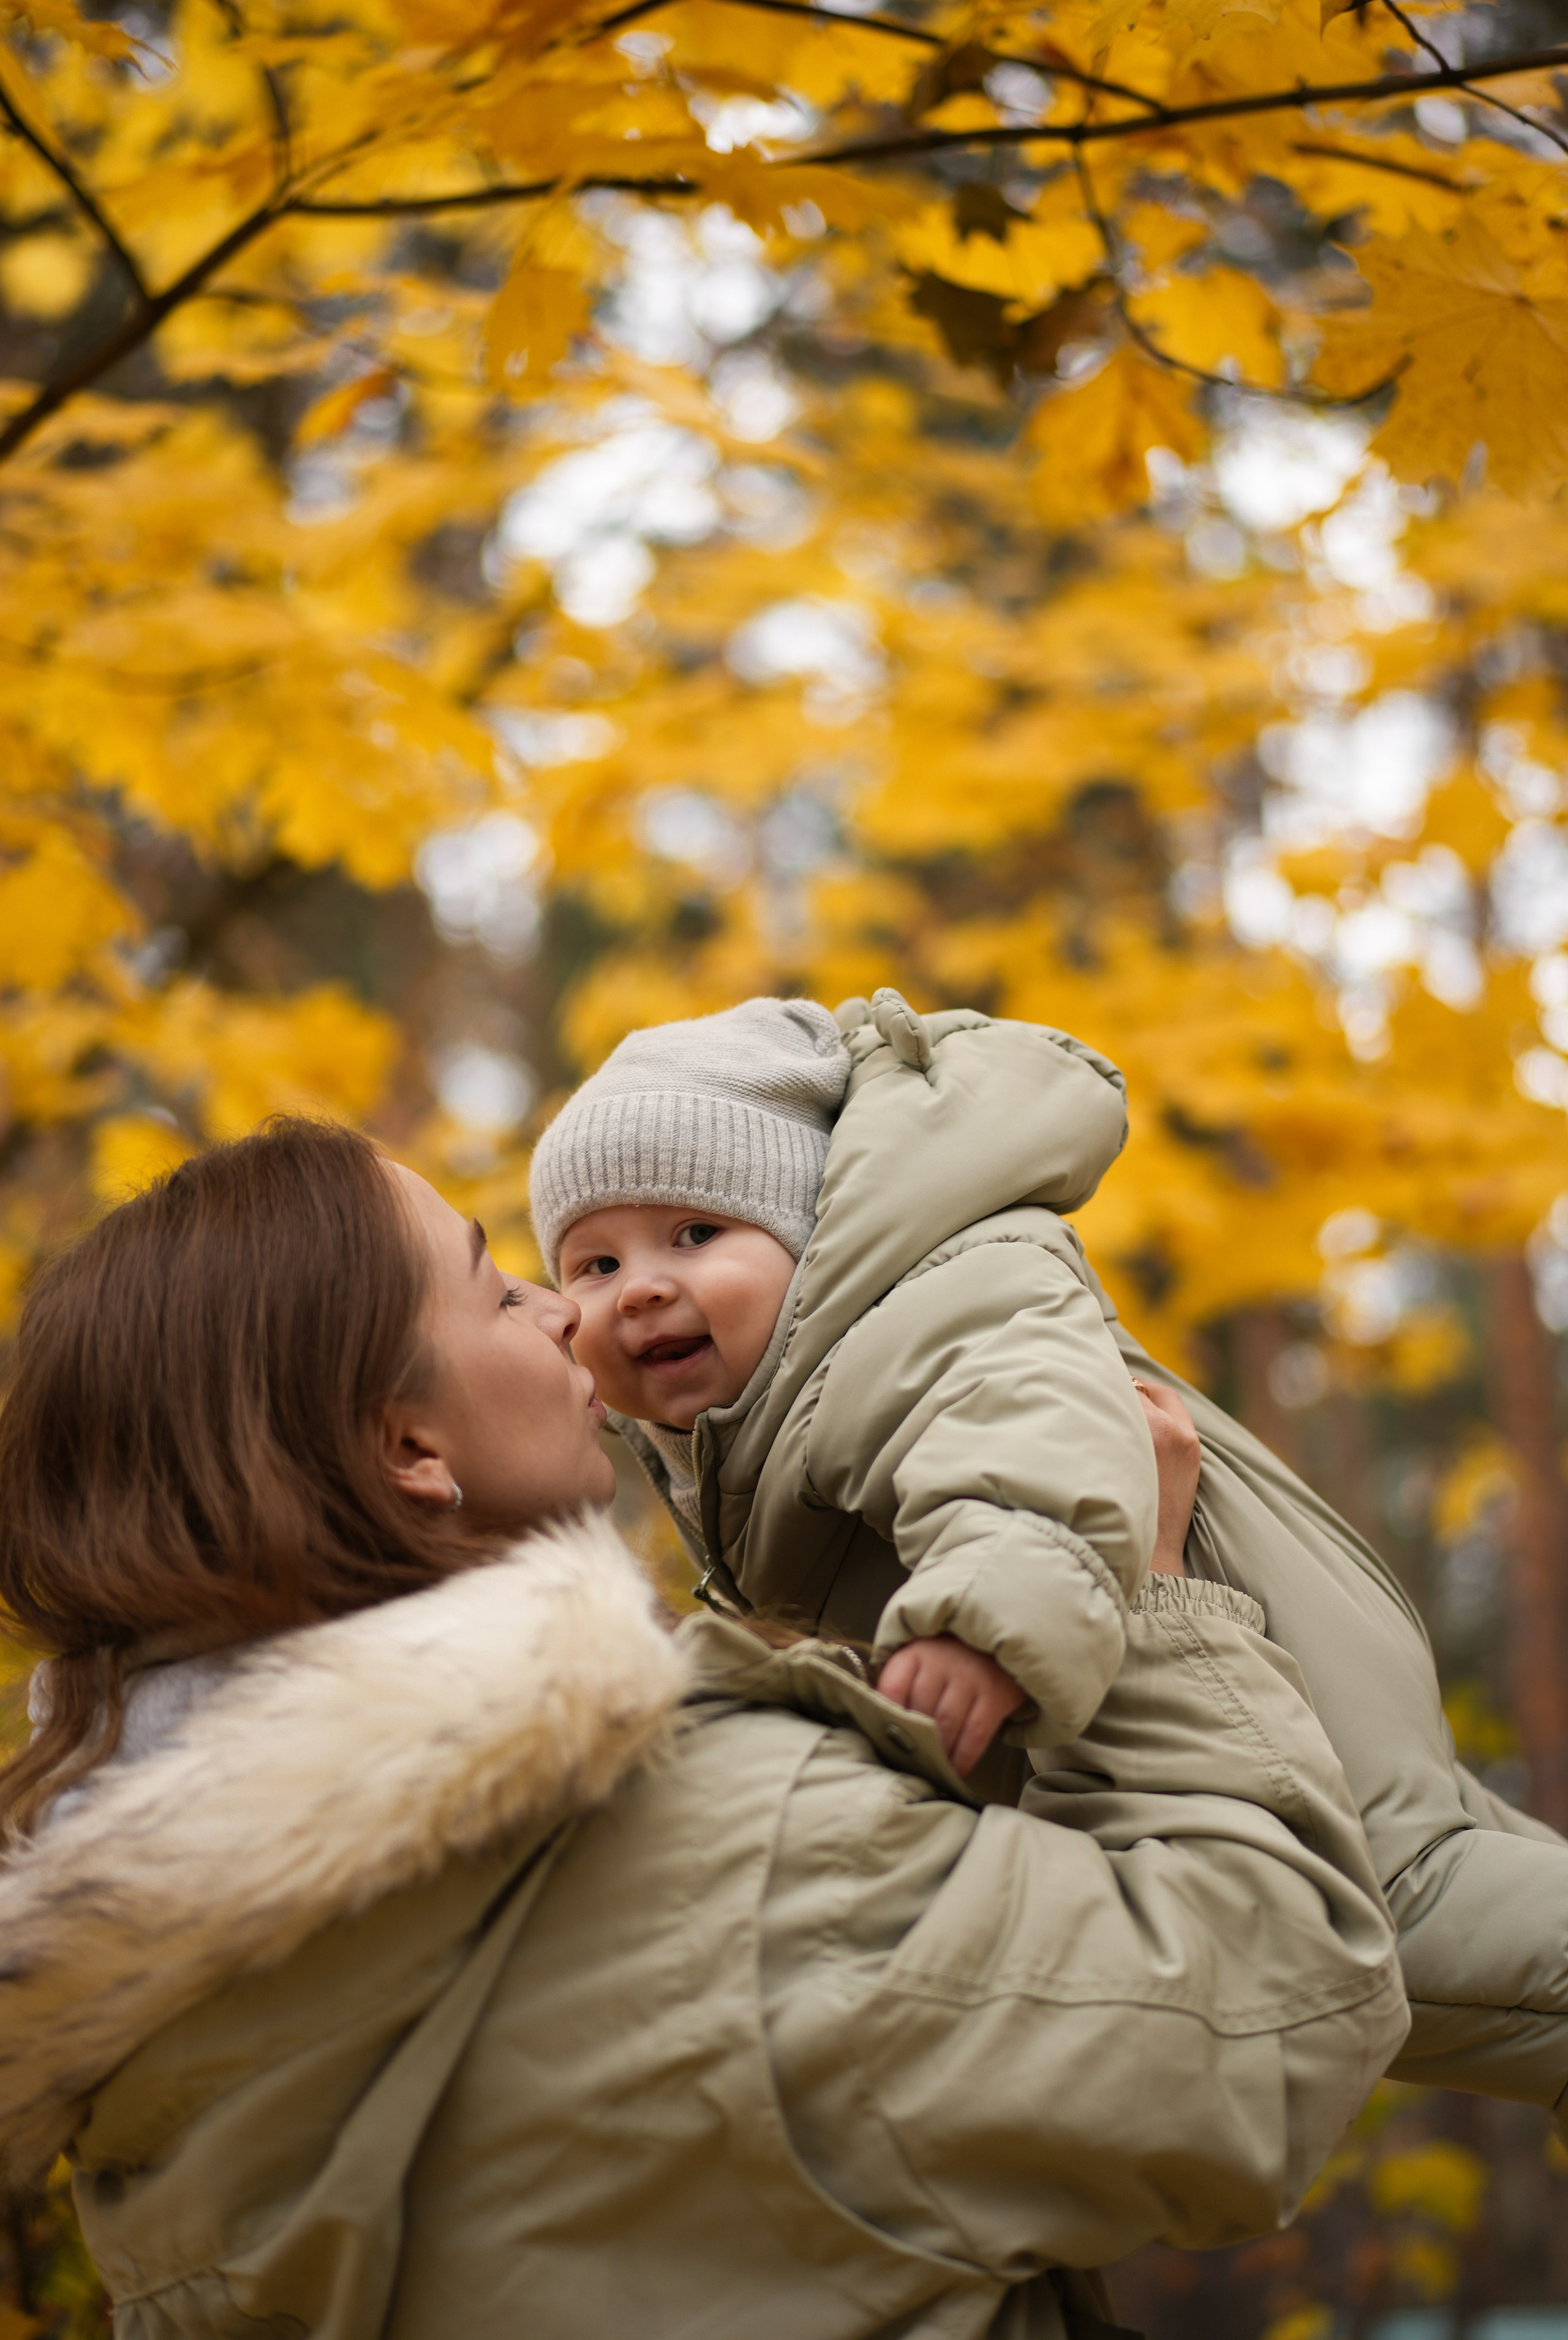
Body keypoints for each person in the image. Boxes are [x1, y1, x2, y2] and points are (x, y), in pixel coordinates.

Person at [0, 1117, 1404, 2339]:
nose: (562, 1310)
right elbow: (1261, 2027)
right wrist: (1147, 1607)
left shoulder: (144, 1994)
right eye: (495, 1289)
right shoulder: (705, 1839)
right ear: (405, 1451)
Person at [535, 988, 1568, 2123]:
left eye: (696, 1234)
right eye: (591, 1265)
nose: (639, 1287)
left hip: (1276, 1696)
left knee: (1386, 1928)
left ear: (807, 1235)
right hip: (1231, 1687)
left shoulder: (928, 1314)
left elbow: (1033, 1450)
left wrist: (980, 1621)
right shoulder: (774, 1406)